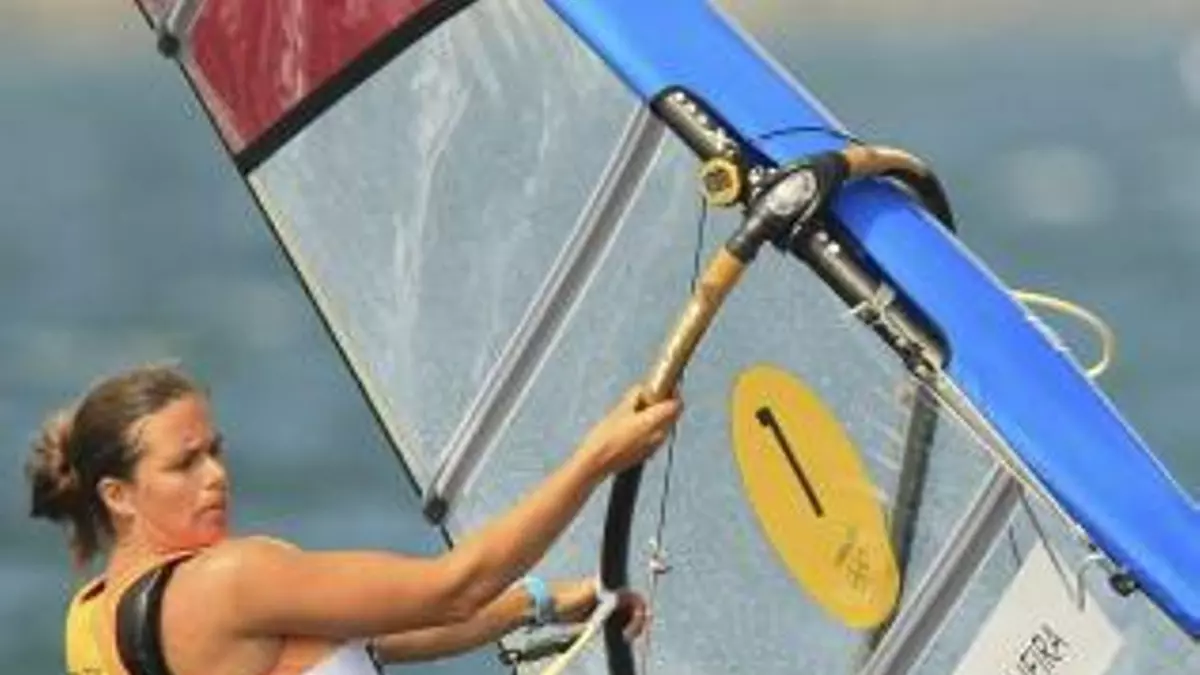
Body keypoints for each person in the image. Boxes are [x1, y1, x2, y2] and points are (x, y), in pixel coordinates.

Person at [27, 363, 682, 675]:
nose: (216, 475)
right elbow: (453, 588)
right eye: (185, 463)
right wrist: (596, 458)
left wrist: (537, 603)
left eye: (216, 451)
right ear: (117, 494)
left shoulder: (90, 622)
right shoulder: (230, 580)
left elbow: (383, 636)